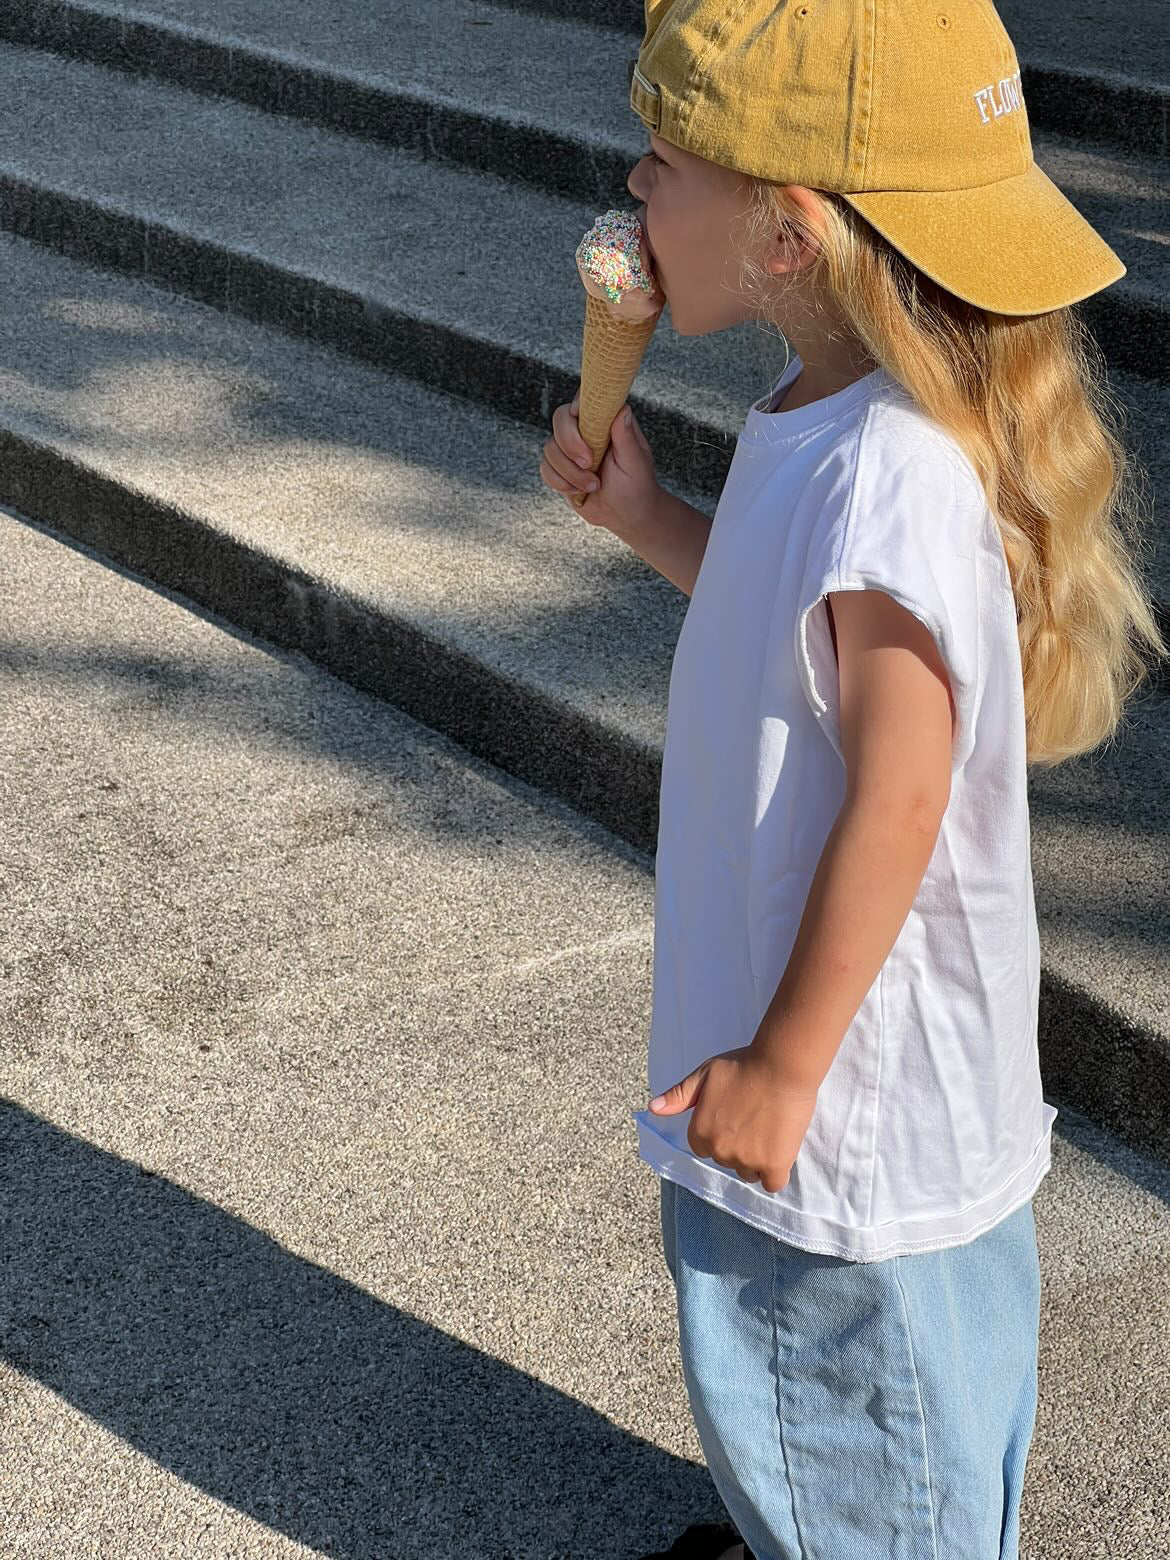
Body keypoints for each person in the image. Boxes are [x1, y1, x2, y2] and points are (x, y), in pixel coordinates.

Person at [540, 4, 1165, 1558]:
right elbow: (784, 628)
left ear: (786, 237)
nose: (631, 179)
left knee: (853, 1392)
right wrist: (649, 522)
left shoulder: (890, 469)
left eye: (667, 162)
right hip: (824, 1051)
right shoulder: (827, 420)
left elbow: (900, 788)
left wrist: (785, 1063)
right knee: (844, 1400)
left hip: (846, 1090)